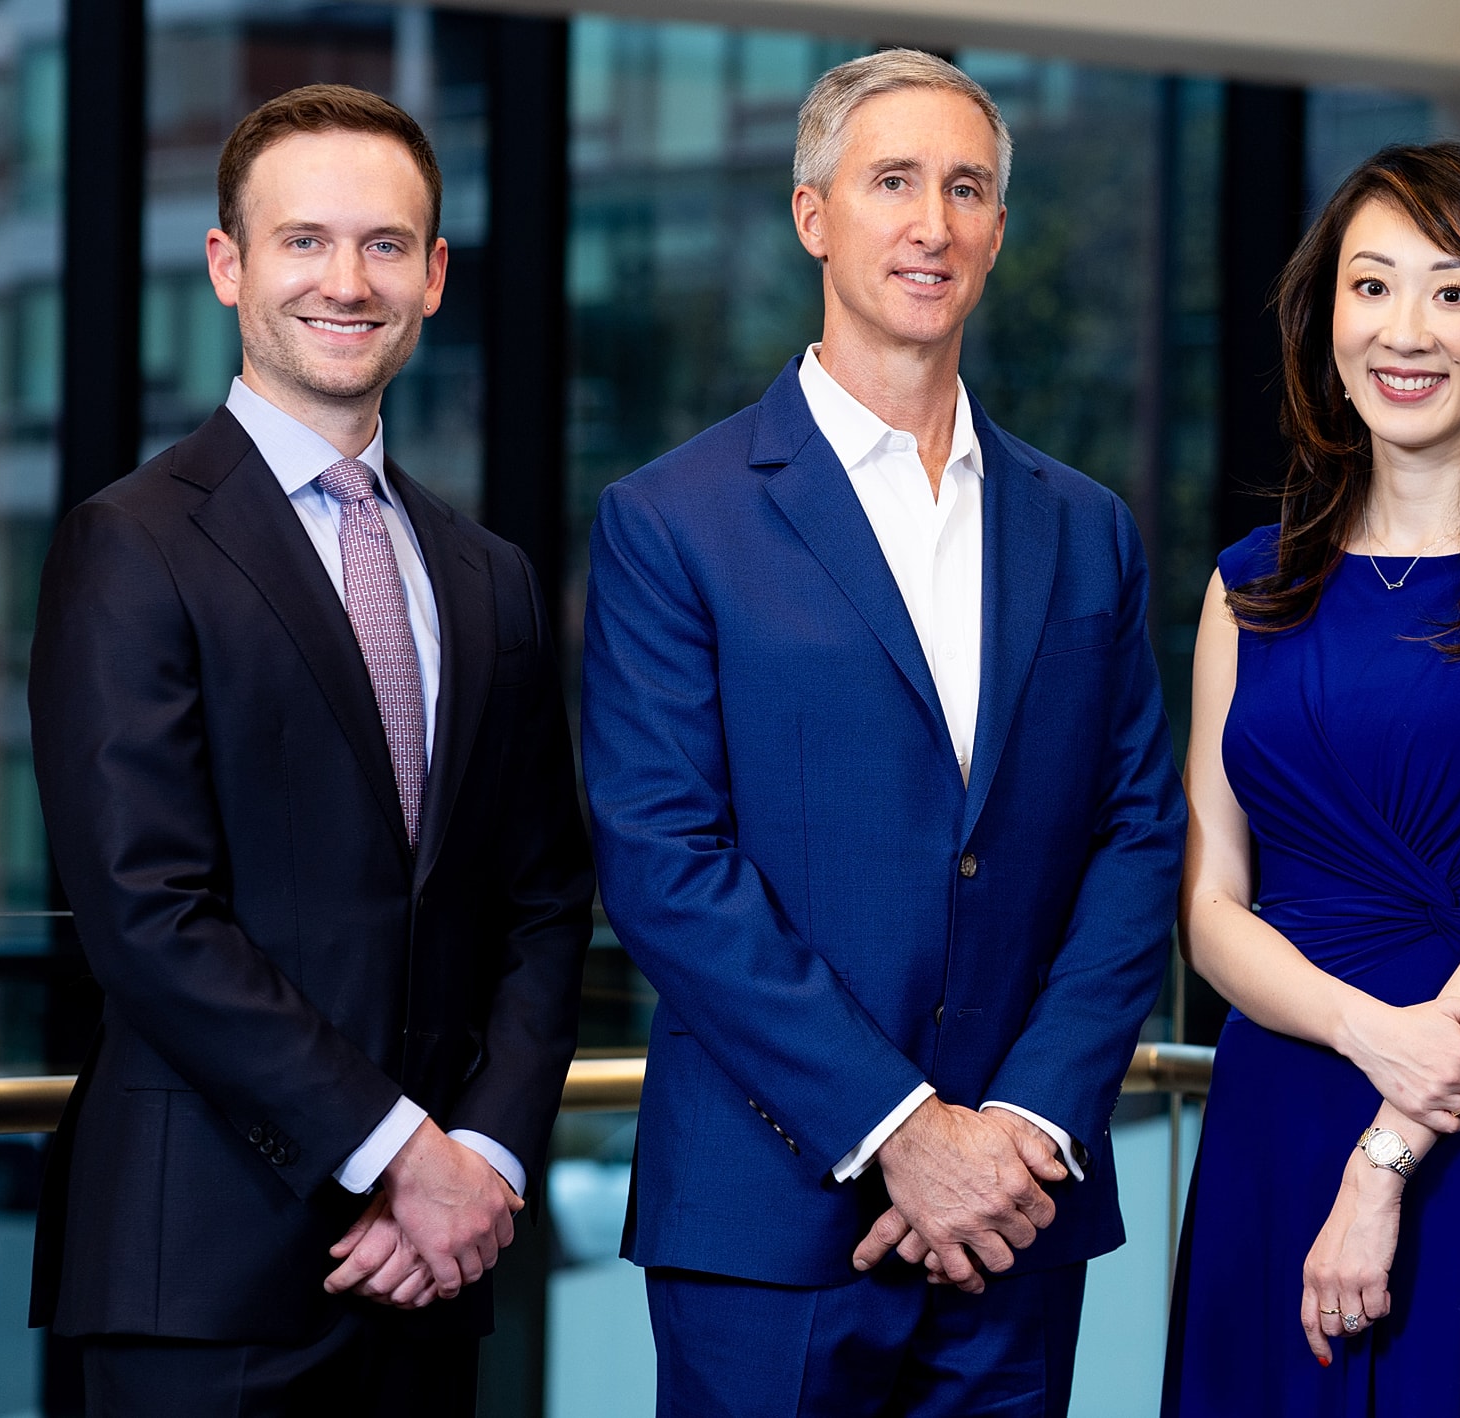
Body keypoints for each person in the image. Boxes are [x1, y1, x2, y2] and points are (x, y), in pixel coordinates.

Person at [580, 50, 1185, 1417]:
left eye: (966, 189)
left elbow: (1137, 835)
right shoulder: (675, 520)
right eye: (893, 181)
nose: (932, 223)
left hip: (1015, 1225)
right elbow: (666, 863)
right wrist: (905, 1131)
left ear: (999, 232)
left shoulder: (1083, 527)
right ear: (814, 215)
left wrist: (1021, 1127)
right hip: (769, 1218)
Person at [25, 85, 593, 1413]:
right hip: (205, 1277)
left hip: (432, 1272)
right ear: (229, 264)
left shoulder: (489, 574)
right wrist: (402, 1153)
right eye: (304, 241)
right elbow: (147, 914)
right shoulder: (133, 545)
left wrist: (489, 1157)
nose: (347, 280)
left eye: (387, 244)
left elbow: (546, 900)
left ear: (437, 276)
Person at [1164, 141, 1460, 1415]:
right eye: (1370, 287)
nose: (1404, 329)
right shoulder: (1245, 583)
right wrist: (1366, 1032)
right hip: (1277, 1094)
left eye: (1449, 288)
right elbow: (1209, 910)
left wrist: (1383, 1158)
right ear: (1328, 322)